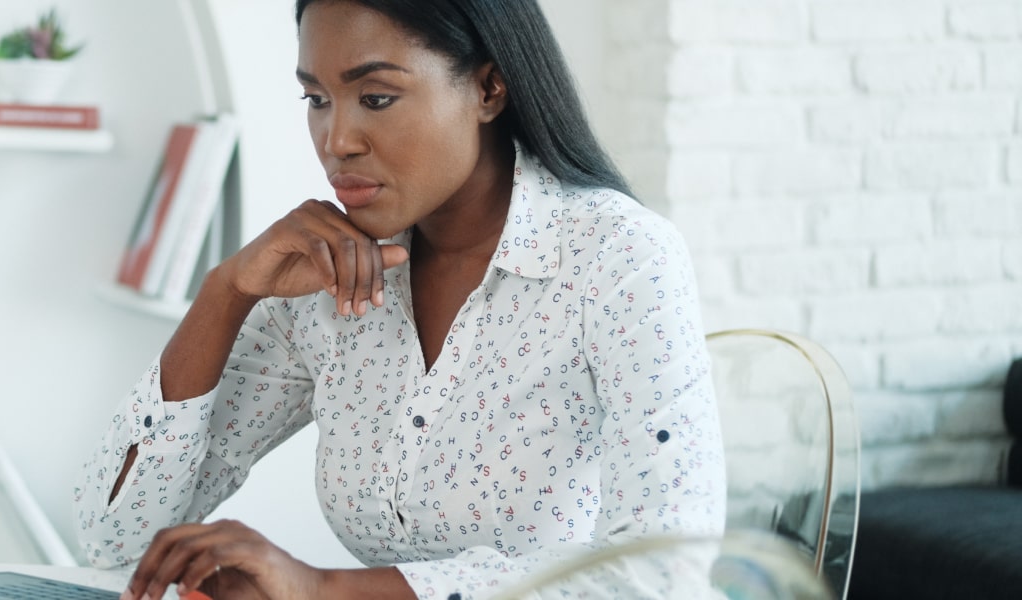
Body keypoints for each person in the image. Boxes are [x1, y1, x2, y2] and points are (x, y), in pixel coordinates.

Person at [75, 0, 726, 598]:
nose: (338, 141)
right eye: (317, 99)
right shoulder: (326, 280)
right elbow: (116, 539)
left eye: (377, 98)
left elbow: (662, 570)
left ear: (489, 88)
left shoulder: (616, 257)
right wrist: (226, 292)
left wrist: (325, 590)